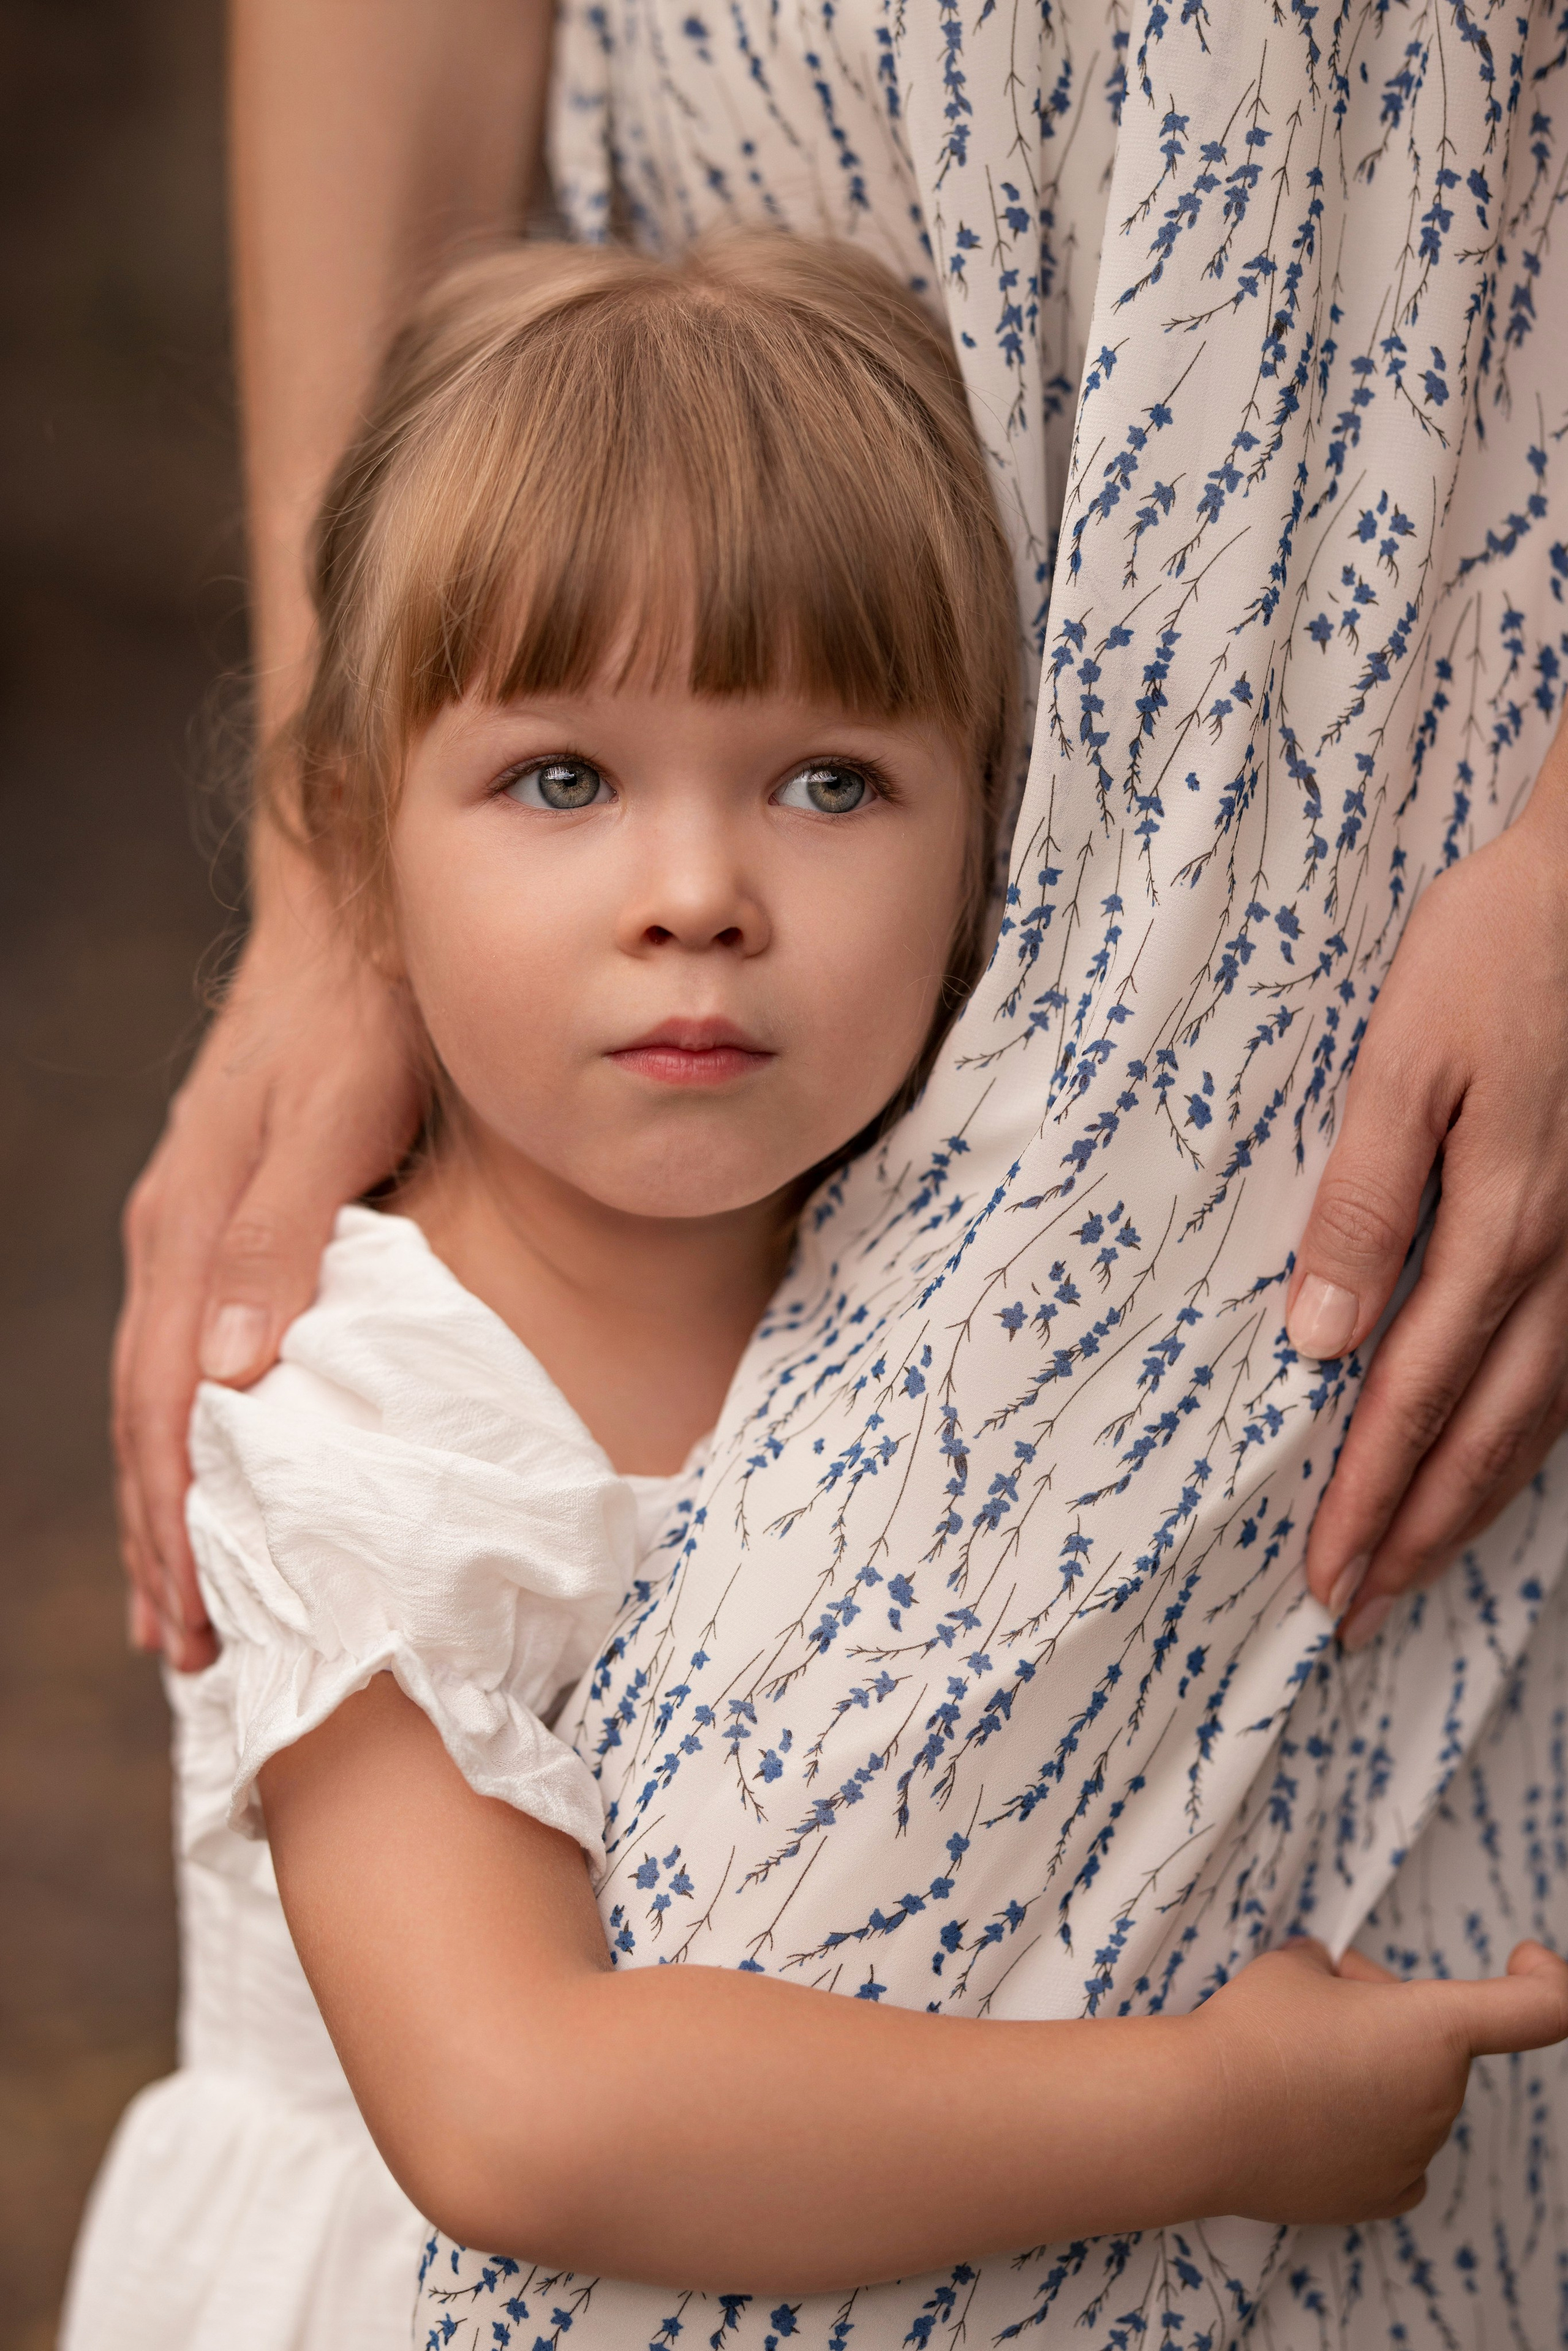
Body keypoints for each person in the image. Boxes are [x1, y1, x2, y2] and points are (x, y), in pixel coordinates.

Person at [111, 3, 1568, 2344]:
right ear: (363, 833)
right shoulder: (372, 1414)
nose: (698, 891)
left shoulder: (923, 1260)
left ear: (1003, 847)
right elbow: (522, 2122)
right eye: (566, 780)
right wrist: (1223, 2115)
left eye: (826, 783)